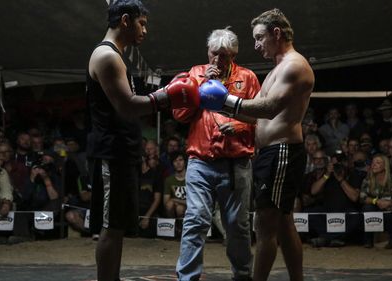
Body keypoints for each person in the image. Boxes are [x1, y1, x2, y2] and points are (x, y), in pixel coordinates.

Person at [198, 8, 314, 281]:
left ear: (277, 33)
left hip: (281, 151)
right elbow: (253, 113)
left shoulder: (294, 66)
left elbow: (270, 108)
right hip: (273, 152)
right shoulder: (278, 68)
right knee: (284, 224)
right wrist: (223, 106)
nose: (256, 45)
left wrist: (225, 99)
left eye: (260, 37)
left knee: (266, 228)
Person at [86, 1, 199, 280]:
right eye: (142, 23)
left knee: (118, 226)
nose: (145, 30)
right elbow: (127, 106)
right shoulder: (107, 57)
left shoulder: (117, 56)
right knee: (111, 227)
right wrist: (168, 95)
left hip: (121, 151)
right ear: (125, 20)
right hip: (112, 152)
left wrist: (165, 95)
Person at [173, 27, 260, 281]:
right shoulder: (194, 74)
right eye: (214, 54)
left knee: (237, 226)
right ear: (207, 51)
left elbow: (261, 119)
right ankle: (187, 278)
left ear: (233, 55)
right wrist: (199, 87)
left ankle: (242, 276)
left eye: (224, 56)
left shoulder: (248, 77)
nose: (218, 61)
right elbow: (179, 115)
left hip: (237, 164)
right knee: (196, 220)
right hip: (200, 162)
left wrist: (238, 126)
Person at [359, 154, 392, 249]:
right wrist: (376, 201)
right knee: (367, 208)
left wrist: (390, 203)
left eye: (378, 163)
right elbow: (362, 197)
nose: (374, 165)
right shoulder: (368, 179)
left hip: (390, 207)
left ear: (385, 166)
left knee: (390, 210)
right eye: (373, 163)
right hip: (375, 206)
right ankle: (368, 240)